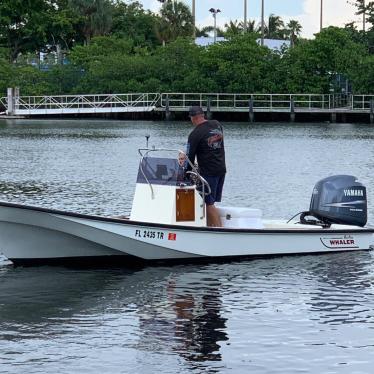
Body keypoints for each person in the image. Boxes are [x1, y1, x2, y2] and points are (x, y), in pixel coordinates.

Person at [184, 106, 226, 227]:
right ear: (203, 115)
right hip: (221, 169)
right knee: (211, 202)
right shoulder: (217, 124)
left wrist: (185, 174)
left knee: (208, 202)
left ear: (193, 118)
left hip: (208, 173)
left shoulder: (195, 134)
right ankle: (209, 228)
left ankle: (219, 231)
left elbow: (189, 158)